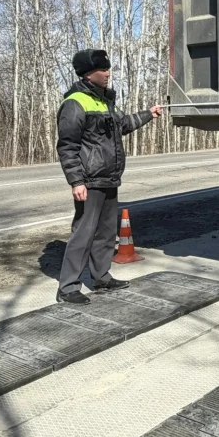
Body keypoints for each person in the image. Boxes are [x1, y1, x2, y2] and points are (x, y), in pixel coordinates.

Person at [55, 48, 163, 304]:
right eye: (103, 70)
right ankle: (68, 288)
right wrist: (76, 181)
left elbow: (122, 125)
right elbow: (67, 146)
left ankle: (101, 277)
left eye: (108, 69)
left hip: (109, 178)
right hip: (90, 181)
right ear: (88, 73)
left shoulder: (104, 100)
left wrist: (149, 113)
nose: (108, 74)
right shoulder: (75, 103)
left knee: (105, 233)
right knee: (83, 233)